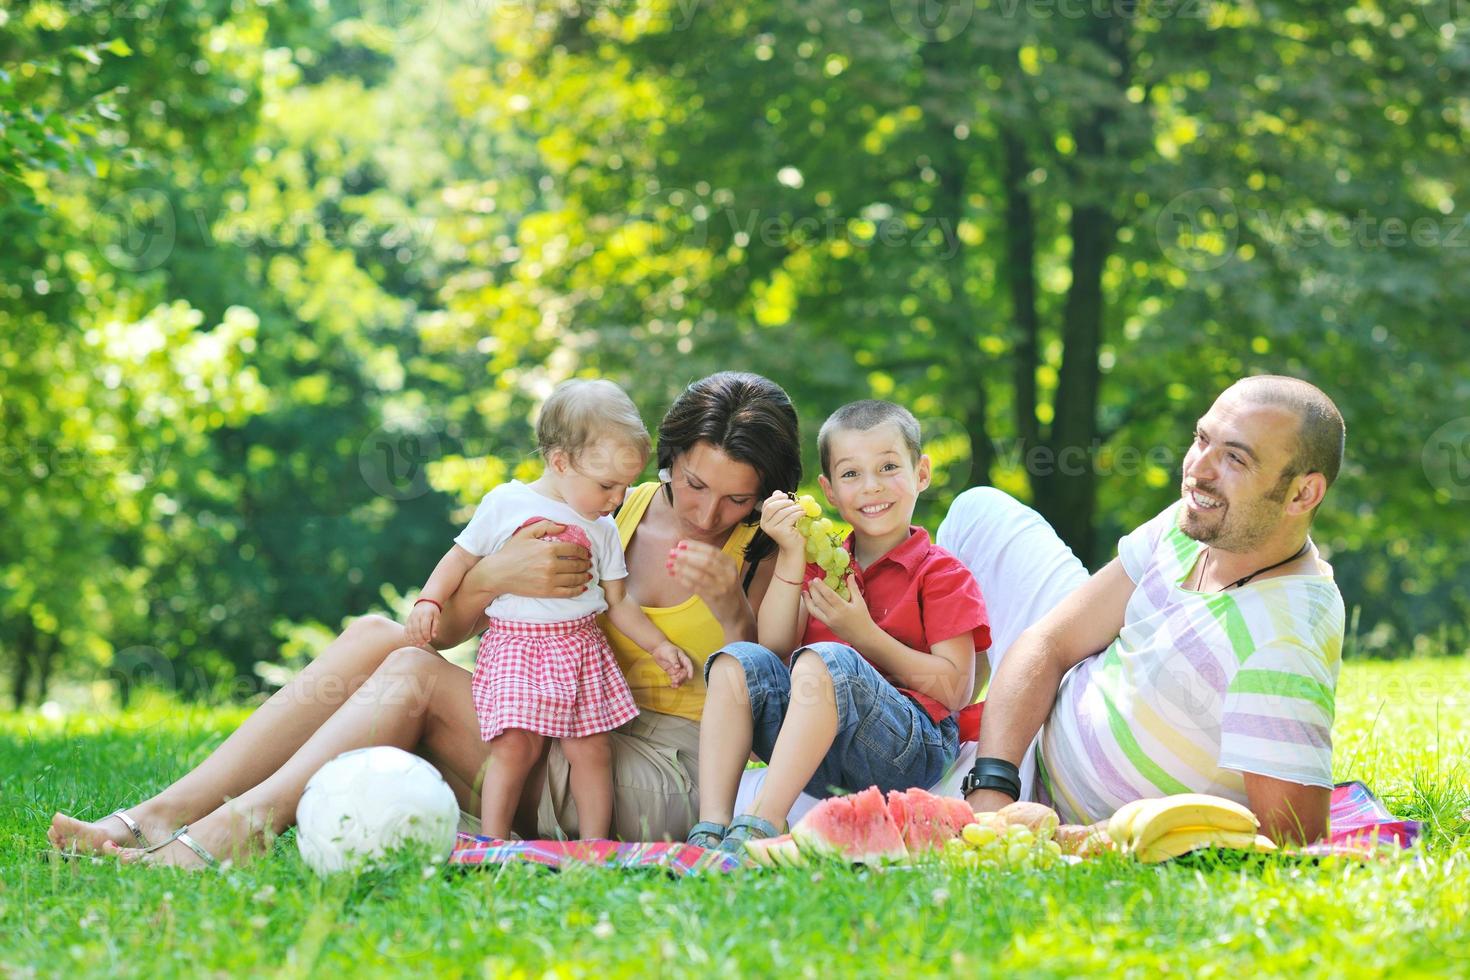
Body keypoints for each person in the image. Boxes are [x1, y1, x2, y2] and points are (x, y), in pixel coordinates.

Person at [47, 371, 801, 867]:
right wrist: (492, 580)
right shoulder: (609, 507)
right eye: (694, 484)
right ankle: (155, 816)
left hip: (658, 769)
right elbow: (435, 632)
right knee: (381, 638)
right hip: (550, 721)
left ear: (766, 491)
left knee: (408, 673)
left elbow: (774, 694)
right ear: (664, 459)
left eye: (736, 497)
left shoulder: (771, 547)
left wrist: (732, 602)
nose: (707, 512)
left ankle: (228, 836)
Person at [957, 376, 1346, 844]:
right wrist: (993, 786)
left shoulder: (1283, 642)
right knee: (977, 511)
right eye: (1202, 439)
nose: (1198, 471)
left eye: (1235, 458)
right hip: (1024, 740)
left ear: (1303, 494)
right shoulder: (1196, 524)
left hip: (1057, 811)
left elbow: (1293, 839)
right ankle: (933, 708)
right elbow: (1050, 641)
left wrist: (1084, 838)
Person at [687, 400, 989, 851]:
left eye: (888, 467)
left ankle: (762, 824)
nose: (871, 487)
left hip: (909, 749)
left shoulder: (941, 573)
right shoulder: (823, 562)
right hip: (818, 754)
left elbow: (954, 689)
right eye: (851, 474)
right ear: (829, 491)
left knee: (830, 660)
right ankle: (712, 828)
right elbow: (772, 648)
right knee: (737, 661)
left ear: (921, 473)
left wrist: (863, 633)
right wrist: (791, 553)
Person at [407, 380, 695, 840]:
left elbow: (618, 601)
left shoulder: (602, 528)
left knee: (592, 749)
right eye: (607, 485)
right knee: (514, 748)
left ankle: (594, 845)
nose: (617, 499)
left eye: (624, 486)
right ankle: (496, 840)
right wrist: (429, 598)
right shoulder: (506, 503)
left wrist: (659, 645)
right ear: (560, 461)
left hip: (581, 650)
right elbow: (460, 557)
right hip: (516, 649)